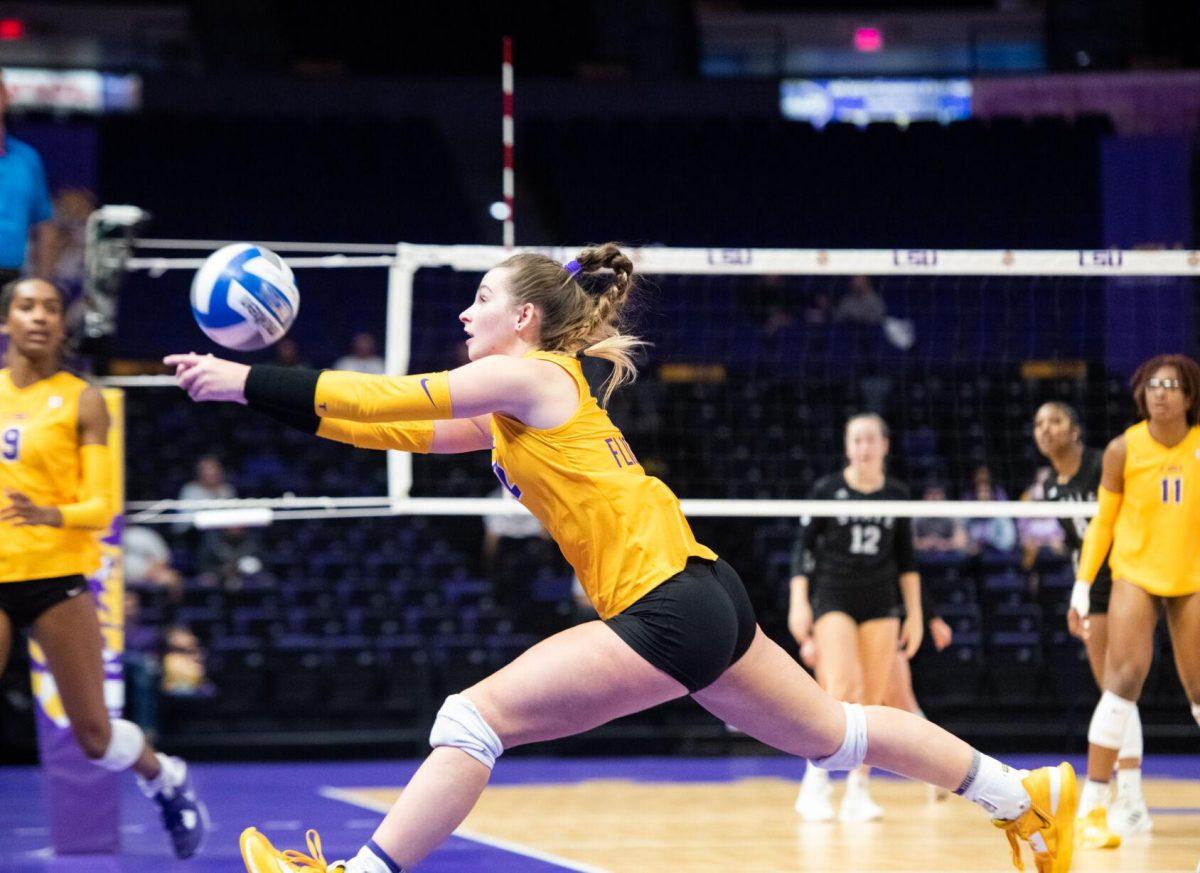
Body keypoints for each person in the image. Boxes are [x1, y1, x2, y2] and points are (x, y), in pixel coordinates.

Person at [165, 244, 1076, 873]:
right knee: (843, 736)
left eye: (478, 299)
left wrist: (246, 376)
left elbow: (392, 393)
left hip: (666, 603)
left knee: (471, 719)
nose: (462, 311)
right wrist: (258, 400)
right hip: (701, 590)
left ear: (522, 317)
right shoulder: (520, 400)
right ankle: (1023, 796)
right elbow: (392, 427)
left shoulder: (530, 375)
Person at [0, 277, 207, 858]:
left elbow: (100, 508)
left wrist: (47, 512)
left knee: (93, 736)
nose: (38, 317)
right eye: (25, 306)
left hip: (56, 579)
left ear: (62, 326)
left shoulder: (81, 399)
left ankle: (163, 774)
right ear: (5, 323)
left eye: (49, 308)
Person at [1071, 355, 1200, 850]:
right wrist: (1083, 586)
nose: (1159, 393)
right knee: (1123, 677)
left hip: (1189, 576)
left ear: (1188, 396)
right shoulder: (1123, 448)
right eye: (1151, 386)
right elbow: (1102, 523)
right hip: (1135, 574)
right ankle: (1093, 808)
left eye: (1170, 385)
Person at [787, 414, 924, 822]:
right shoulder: (828, 490)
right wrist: (799, 601)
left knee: (873, 699)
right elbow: (802, 550)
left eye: (870, 440)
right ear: (847, 448)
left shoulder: (897, 494)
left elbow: (907, 561)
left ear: (885, 445)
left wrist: (915, 615)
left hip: (881, 600)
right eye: (856, 441)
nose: (863, 447)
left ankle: (858, 792)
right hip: (834, 596)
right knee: (841, 687)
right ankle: (815, 783)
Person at [1032, 401, 1149, 842]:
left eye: (1056, 420)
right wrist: (1077, 594)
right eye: (1039, 424)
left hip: (1131, 573)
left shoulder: (1102, 463)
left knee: (1120, 685)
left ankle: (1132, 798)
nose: (1046, 429)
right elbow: (1078, 548)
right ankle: (1130, 799)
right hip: (1094, 583)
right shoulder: (1053, 489)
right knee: (1112, 688)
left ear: (1075, 429)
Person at [0, 70, 55, 287]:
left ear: (6, 96)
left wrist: (42, 284)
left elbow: (44, 225)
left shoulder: (27, 159)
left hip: (11, 280)